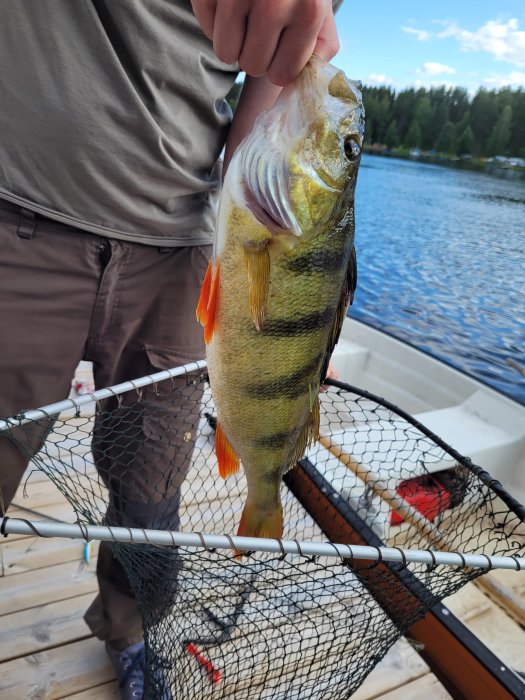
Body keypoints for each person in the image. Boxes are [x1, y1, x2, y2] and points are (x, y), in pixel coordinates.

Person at [0, 1, 341, 698]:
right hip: (17, 220)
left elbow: (268, 77)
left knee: (153, 480)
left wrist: (282, 310)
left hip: (182, 244)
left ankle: (132, 631)